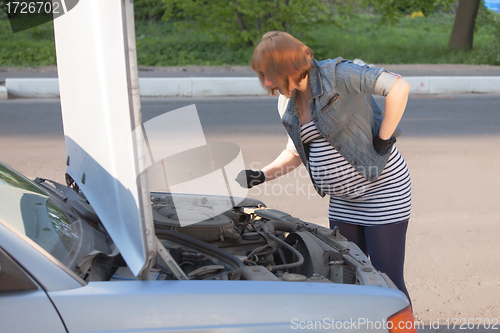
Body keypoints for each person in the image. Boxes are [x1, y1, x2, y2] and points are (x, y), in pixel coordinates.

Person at [236, 31, 412, 304]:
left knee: (387, 282)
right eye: (262, 75)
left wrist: (383, 138)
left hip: (382, 192)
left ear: (288, 66)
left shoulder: (337, 74)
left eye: (269, 73)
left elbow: (399, 87)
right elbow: (294, 153)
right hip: (342, 201)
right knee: (345, 278)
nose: (267, 82)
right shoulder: (287, 101)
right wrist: (261, 175)